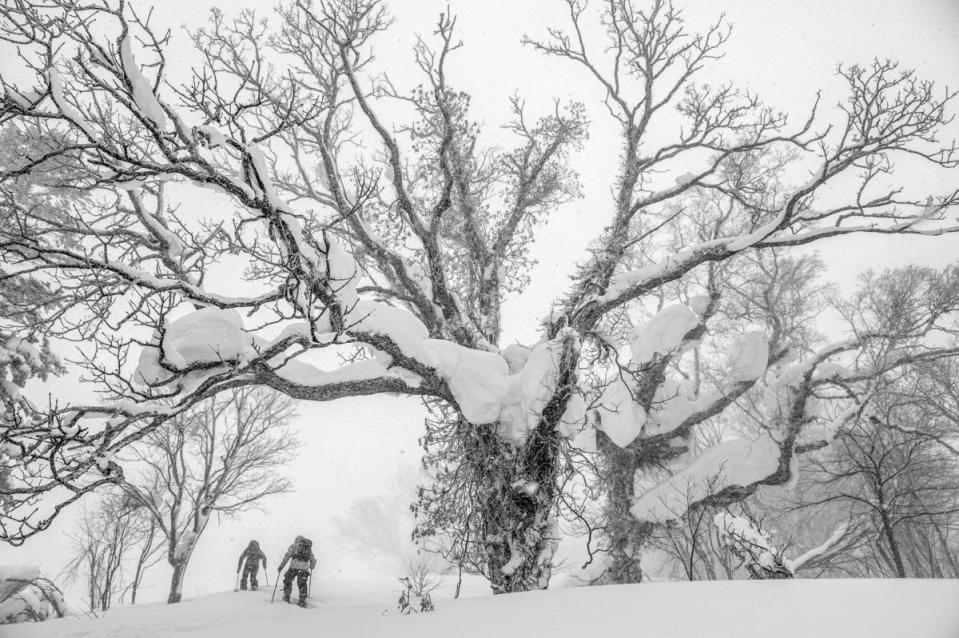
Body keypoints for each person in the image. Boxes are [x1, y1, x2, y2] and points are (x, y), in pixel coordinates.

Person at [277, 535, 316, 607]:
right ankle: (302, 601)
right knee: (302, 584)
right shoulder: (307, 548)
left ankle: (286, 596)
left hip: (293, 567)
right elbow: (313, 559)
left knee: (287, 580)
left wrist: (281, 566)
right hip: (304, 568)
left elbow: (287, 556)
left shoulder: (293, 546)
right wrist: (312, 566)